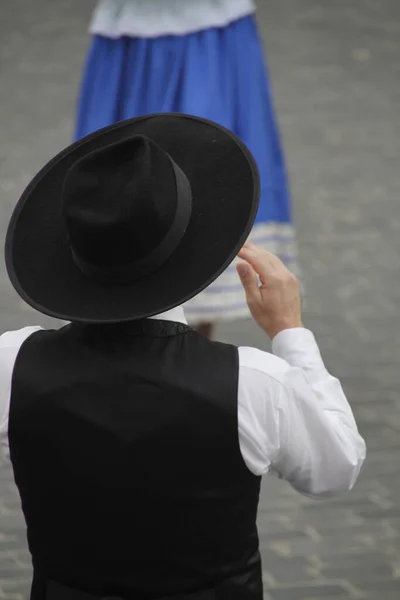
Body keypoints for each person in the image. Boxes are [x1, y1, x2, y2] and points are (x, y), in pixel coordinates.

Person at [0, 114, 365, 600]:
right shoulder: (255, 382)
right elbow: (334, 470)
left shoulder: (10, 364)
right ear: (195, 243)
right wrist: (290, 331)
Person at [75, 0, 297, 339]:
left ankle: (189, 348)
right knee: (116, 178)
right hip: (133, 35)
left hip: (207, 33)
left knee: (209, 169)